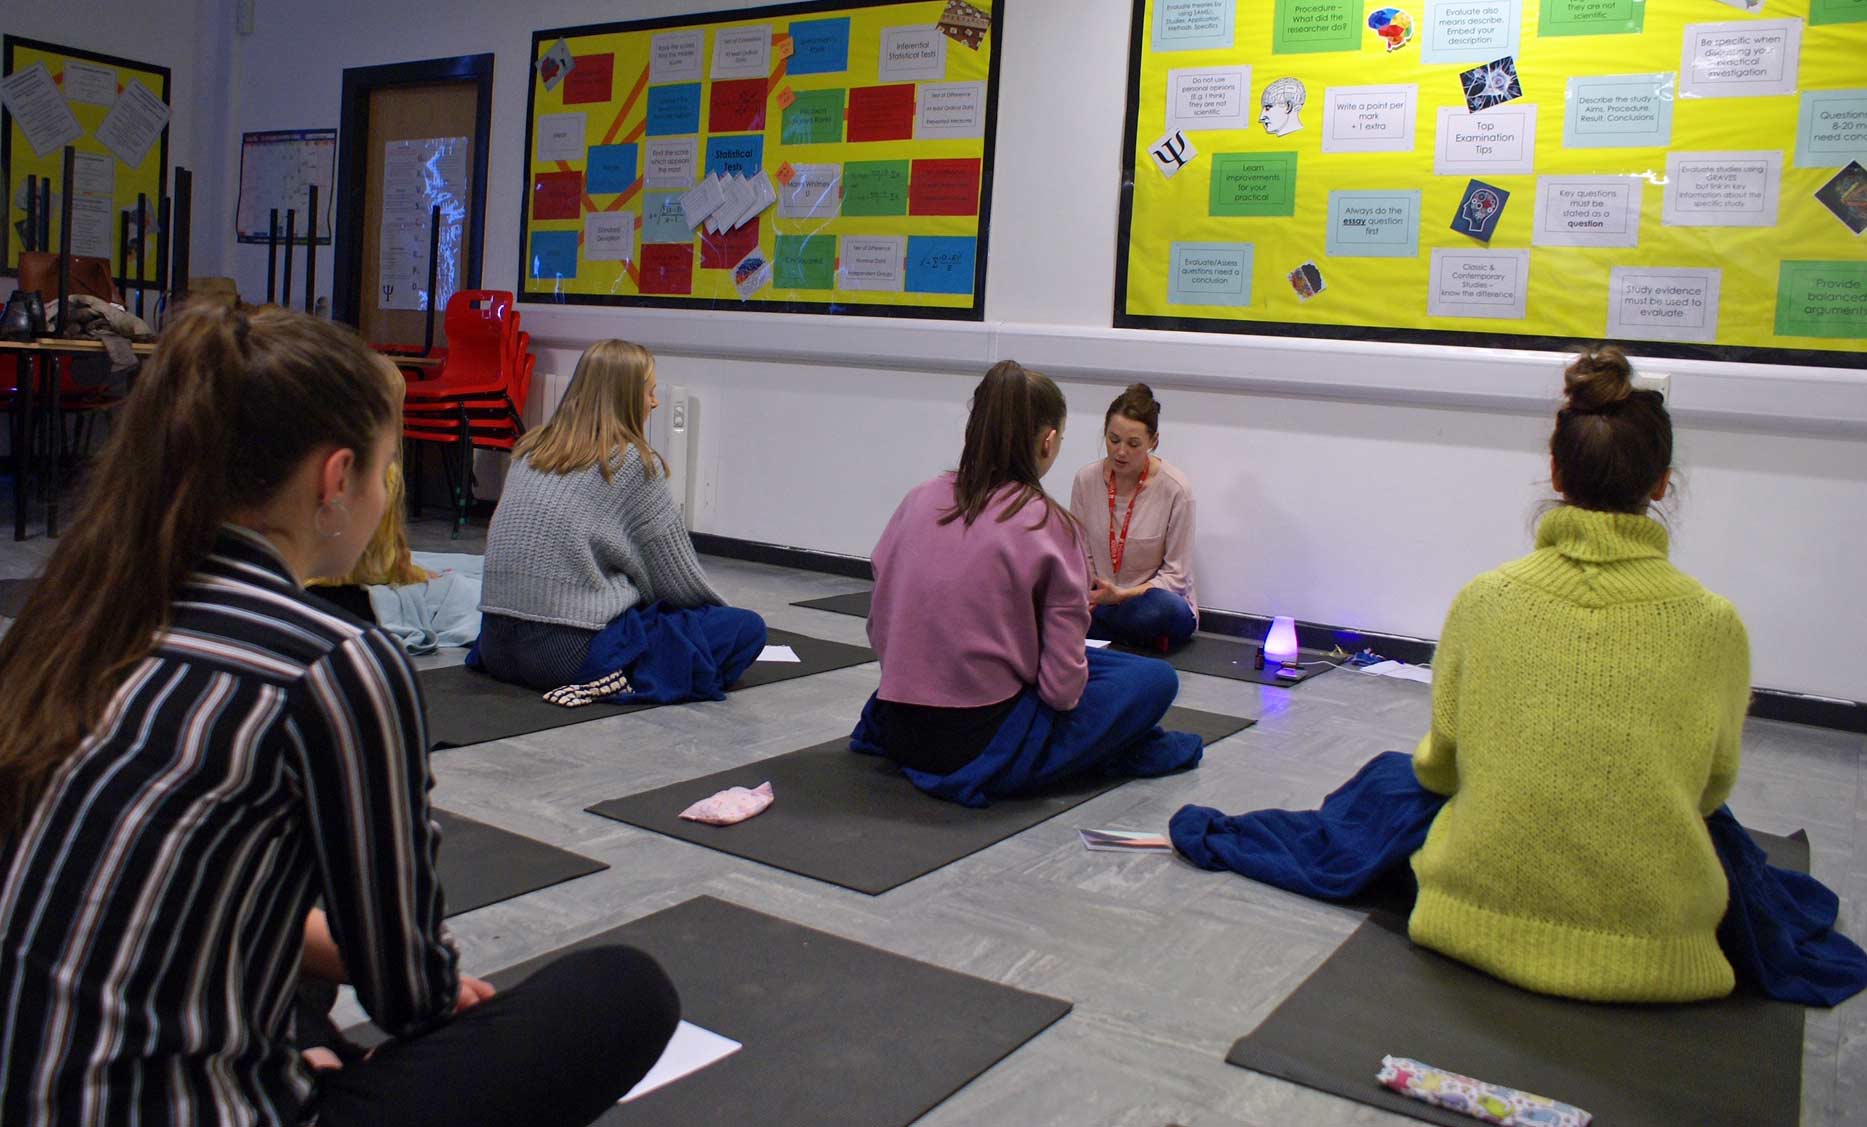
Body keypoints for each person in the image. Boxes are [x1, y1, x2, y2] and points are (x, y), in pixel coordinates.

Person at [0, 306, 679, 1127]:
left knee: (305, 970)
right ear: (336, 480)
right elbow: (409, 990)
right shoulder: (333, 660)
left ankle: (292, 1046)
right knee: (624, 991)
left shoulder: (83, 613)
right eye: (387, 467)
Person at [851, 360, 1203, 807]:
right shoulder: (1047, 521)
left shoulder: (917, 500)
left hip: (899, 719)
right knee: (1154, 681)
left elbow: (880, 631)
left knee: (1119, 660)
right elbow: (1061, 691)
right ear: (1048, 440)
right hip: (978, 741)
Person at [475, 339, 764, 704]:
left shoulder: (530, 449)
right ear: (627, 397)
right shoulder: (632, 464)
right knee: (746, 628)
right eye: (650, 391)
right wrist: (719, 614)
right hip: (567, 654)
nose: (655, 402)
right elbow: (679, 583)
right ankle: (613, 676)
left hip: (495, 647)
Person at [1068, 383, 1198, 650]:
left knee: (1164, 609)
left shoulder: (1176, 489)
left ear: (1154, 442)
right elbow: (1079, 553)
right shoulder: (1086, 480)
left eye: (1133, 444)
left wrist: (1121, 595)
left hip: (1148, 601)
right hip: (1098, 601)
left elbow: (1176, 575)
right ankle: (1124, 636)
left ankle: (1105, 631)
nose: (1121, 451)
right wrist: (1094, 592)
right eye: (1113, 440)